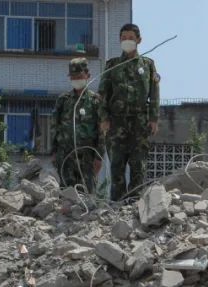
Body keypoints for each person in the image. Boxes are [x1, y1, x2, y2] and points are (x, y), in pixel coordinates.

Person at [99, 23, 160, 201]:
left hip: (139, 122)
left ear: (139, 40)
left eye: (131, 38)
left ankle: (134, 204)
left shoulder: (148, 65)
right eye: (124, 38)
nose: (127, 41)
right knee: (116, 166)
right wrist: (104, 118)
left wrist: (154, 118)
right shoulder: (112, 65)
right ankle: (117, 204)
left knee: (138, 165)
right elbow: (102, 94)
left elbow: (154, 93)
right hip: (116, 123)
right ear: (119, 40)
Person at [52, 57, 103, 191]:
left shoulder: (95, 101)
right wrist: (54, 152)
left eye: (79, 76)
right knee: (65, 194)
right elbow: (55, 127)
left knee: (85, 194)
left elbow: (102, 131)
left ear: (88, 75)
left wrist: (99, 157)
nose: (76, 79)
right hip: (65, 157)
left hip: (87, 159)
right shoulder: (63, 100)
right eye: (73, 77)